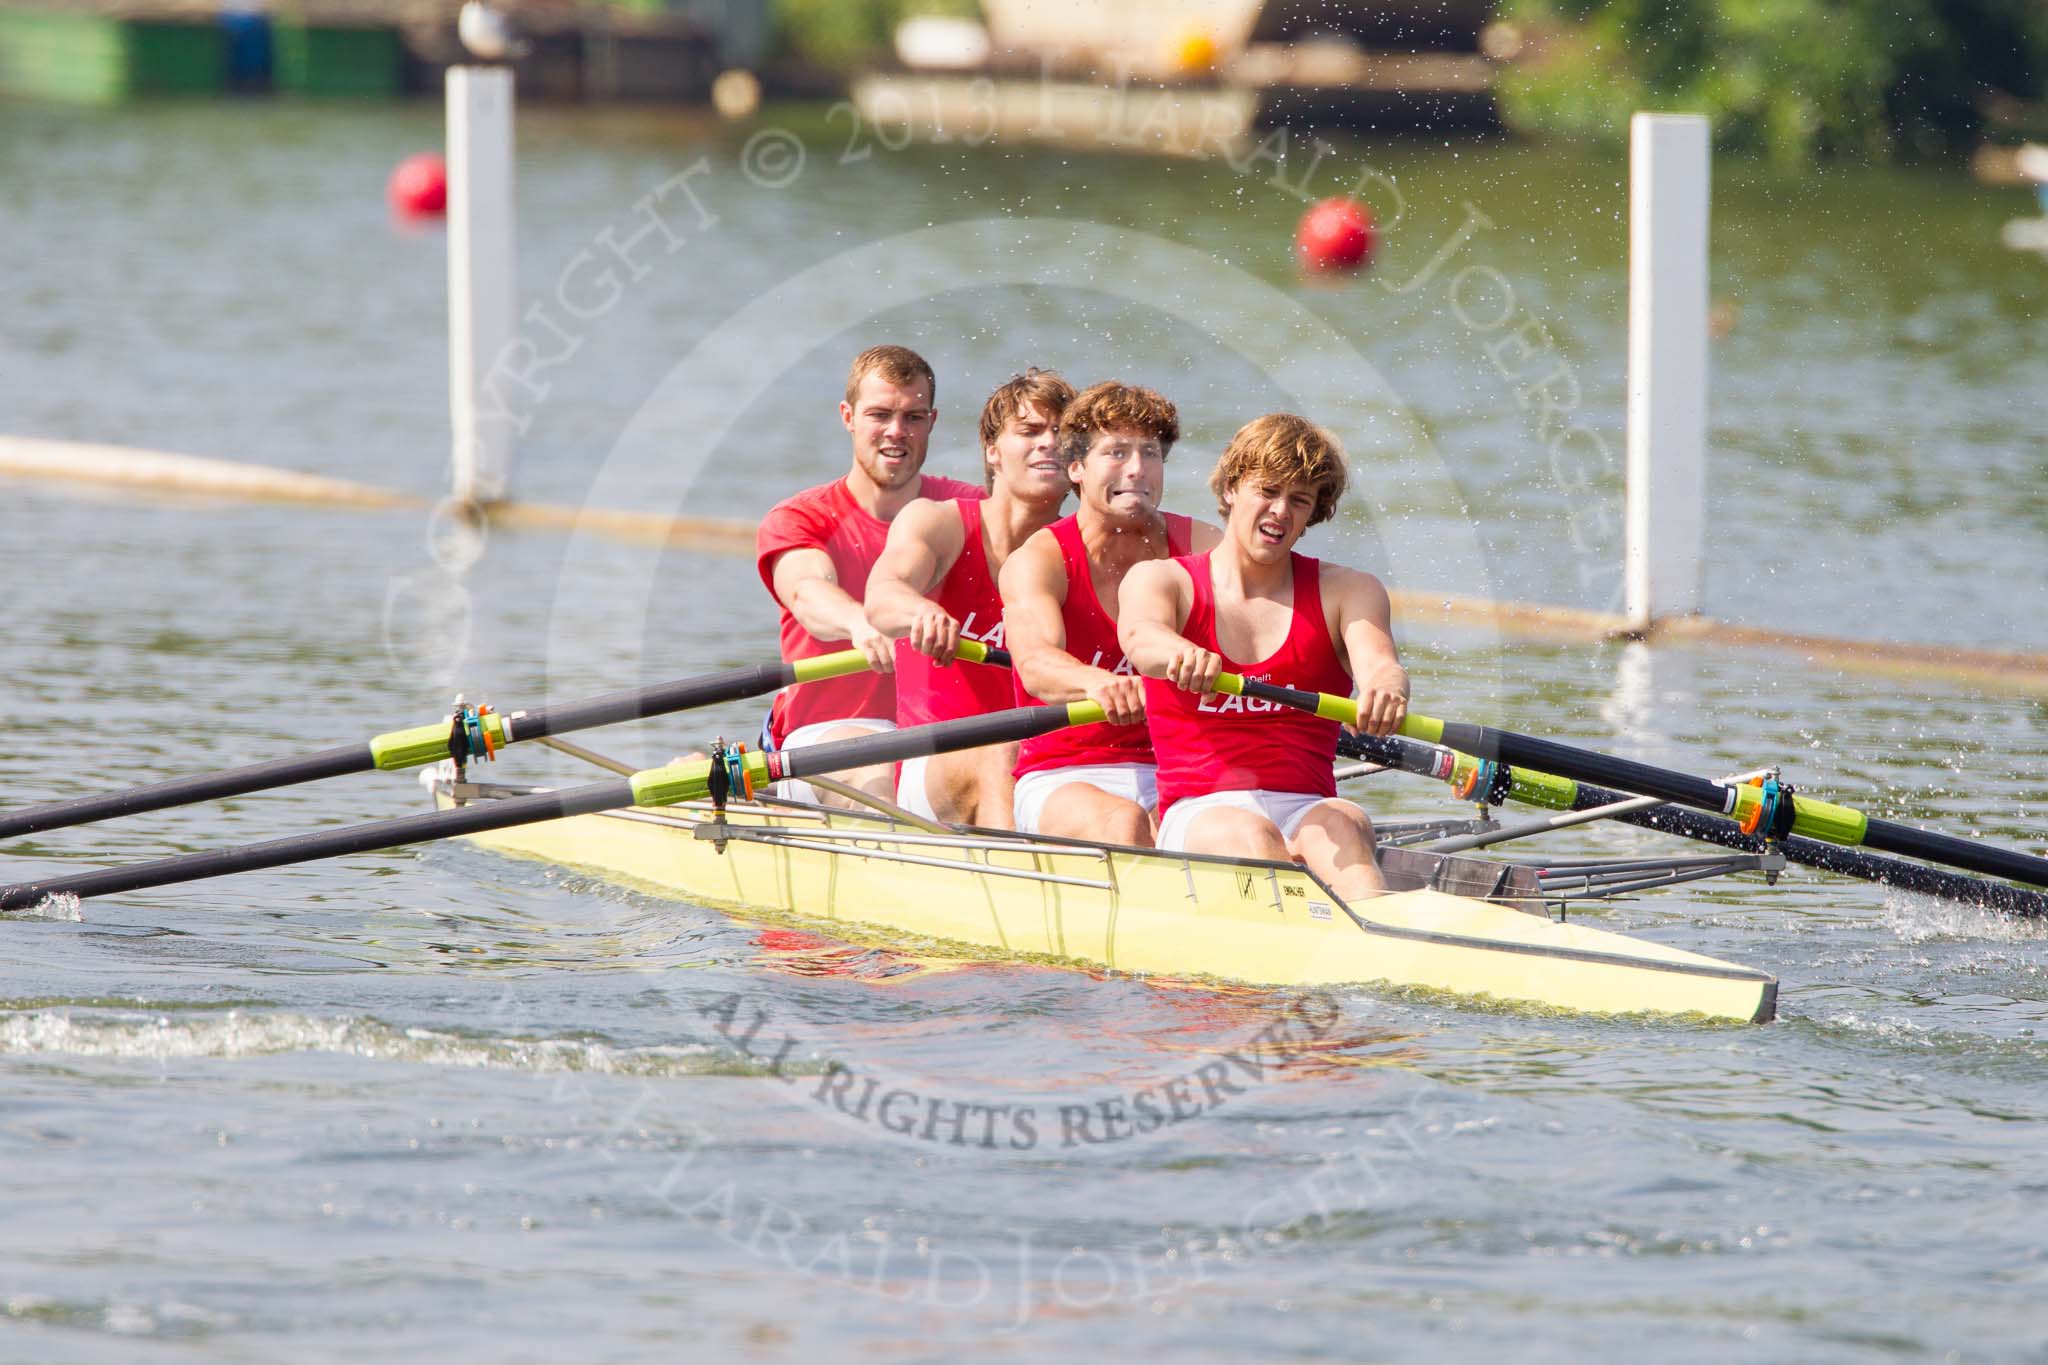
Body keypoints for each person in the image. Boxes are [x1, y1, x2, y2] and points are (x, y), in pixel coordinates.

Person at [1118, 413, 1408, 901]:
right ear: (1231, 488)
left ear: (1314, 513)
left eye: (1299, 500)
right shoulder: (1162, 580)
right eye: (1267, 491)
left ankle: (1381, 940)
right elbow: (1141, 638)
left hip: (1308, 805)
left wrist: (1385, 690)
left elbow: (1380, 662)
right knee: (1252, 835)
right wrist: (1180, 653)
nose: (1280, 512)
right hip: (1201, 812)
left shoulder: (1348, 590)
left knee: (1347, 820)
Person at [754, 345, 983, 807]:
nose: (896, 432)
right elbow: (806, 591)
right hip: (823, 736)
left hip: (938, 732)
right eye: (880, 415)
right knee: (880, 774)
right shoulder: (803, 517)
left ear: (932, 422)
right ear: (848, 417)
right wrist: (860, 623)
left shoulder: (967, 510)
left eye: (913, 418)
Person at [997, 381, 1220, 845]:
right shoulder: (1041, 559)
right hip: (1066, 774)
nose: (1137, 469)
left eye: (1150, 454)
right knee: (1127, 824)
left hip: (1179, 771)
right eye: (1117, 453)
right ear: (1075, 467)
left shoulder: (1204, 547)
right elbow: (1036, 664)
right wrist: (1098, 683)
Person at [865, 369, 1076, 825]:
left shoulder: (1087, 553)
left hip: (1044, 765)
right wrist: (921, 610)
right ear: (992, 450)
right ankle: (1021, 883)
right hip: (936, 762)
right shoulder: (939, 524)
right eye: (1030, 431)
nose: (1049, 443)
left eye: (1062, 433)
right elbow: (882, 597)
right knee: (1001, 752)